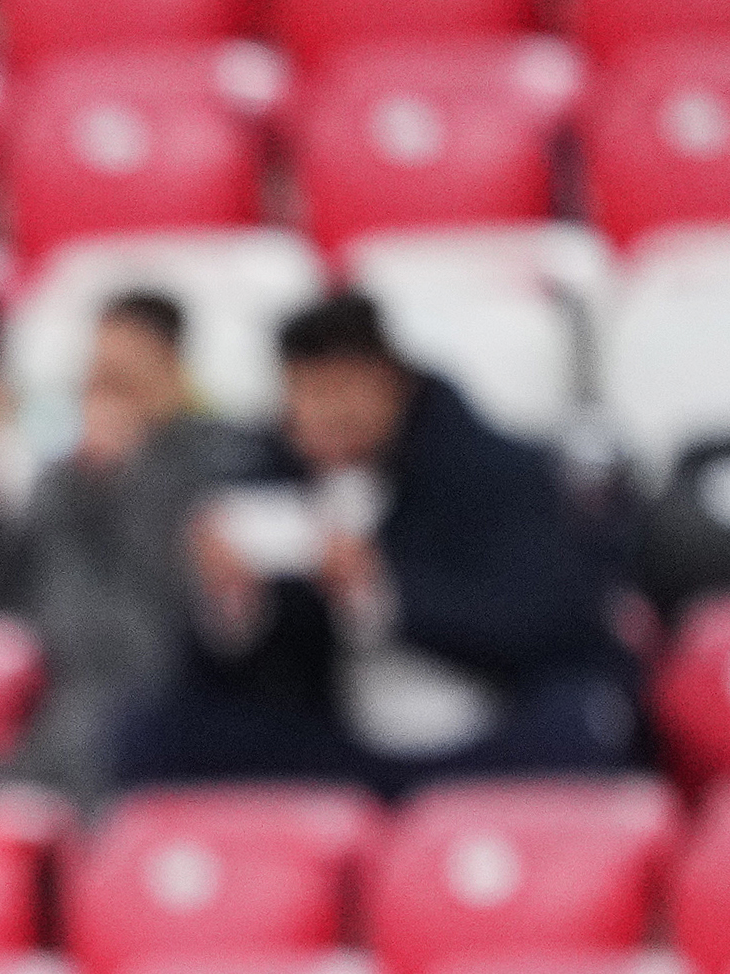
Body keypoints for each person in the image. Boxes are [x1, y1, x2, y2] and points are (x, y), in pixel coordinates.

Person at [117, 290, 641, 799]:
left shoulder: (501, 472)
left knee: (581, 723)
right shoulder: (267, 479)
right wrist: (232, 601)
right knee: (154, 733)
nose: (321, 416)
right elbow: (235, 671)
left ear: (390, 383)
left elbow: (547, 623)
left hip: (485, 735)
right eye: (305, 395)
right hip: (337, 747)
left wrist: (379, 592)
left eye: (338, 393)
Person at [0, 289, 253, 802]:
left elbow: (190, 606)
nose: (103, 396)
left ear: (171, 370)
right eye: (96, 378)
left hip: (183, 727)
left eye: (123, 380)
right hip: (66, 730)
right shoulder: (65, 480)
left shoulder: (225, 456)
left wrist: (137, 464)